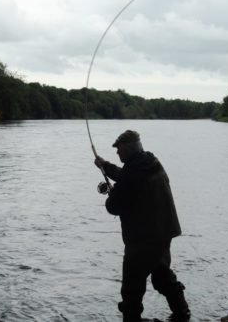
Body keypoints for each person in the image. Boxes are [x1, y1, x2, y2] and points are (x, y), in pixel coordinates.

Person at [94, 130, 190, 322]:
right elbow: (126, 176)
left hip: (142, 238)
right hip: (163, 232)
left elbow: (114, 207)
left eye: (119, 149)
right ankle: (182, 312)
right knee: (161, 276)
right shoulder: (151, 162)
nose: (117, 153)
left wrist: (112, 194)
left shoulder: (133, 172)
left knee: (131, 286)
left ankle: (132, 319)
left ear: (128, 148)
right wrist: (105, 166)